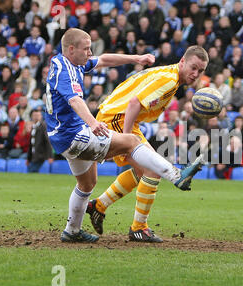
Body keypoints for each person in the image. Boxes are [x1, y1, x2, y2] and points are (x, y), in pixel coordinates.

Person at [46, 28, 204, 243]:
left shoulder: (69, 62)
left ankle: (74, 229)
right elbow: (75, 100)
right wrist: (93, 124)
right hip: (78, 132)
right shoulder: (67, 71)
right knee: (136, 148)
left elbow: (103, 60)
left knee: (88, 184)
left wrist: (136, 58)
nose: (90, 52)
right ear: (71, 49)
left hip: (68, 133)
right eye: (86, 48)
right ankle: (175, 177)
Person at [86, 45, 209, 242]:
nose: (196, 74)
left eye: (200, 71)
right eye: (193, 67)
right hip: (117, 118)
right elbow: (134, 103)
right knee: (152, 170)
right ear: (183, 62)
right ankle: (139, 228)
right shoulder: (169, 80)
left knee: (143, 171)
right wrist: (126, 140)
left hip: (116, 115)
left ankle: (98, 206)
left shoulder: (170, 75)